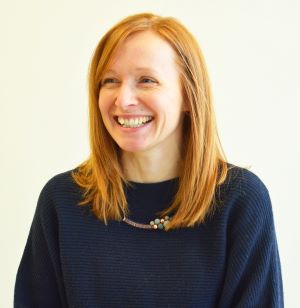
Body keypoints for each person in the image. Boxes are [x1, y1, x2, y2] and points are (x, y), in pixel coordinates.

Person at [14, 12, 283, 307]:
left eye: (146, 80)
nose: (123, 99)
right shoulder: (61, 201)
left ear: (189, 96)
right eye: (110, 80)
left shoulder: (239, 200)